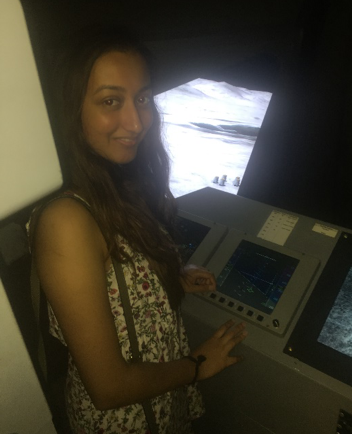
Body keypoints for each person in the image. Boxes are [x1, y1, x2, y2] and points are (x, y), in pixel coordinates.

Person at [29, 26, 247, 434]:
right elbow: (108, 388)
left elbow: (114, 281)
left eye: (143, 98)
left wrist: (168, 280)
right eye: (111, 101)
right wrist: (199, 365)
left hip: (163, 400)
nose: (136, 121)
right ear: (70, 108)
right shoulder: (67, 220)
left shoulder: (119, 182)